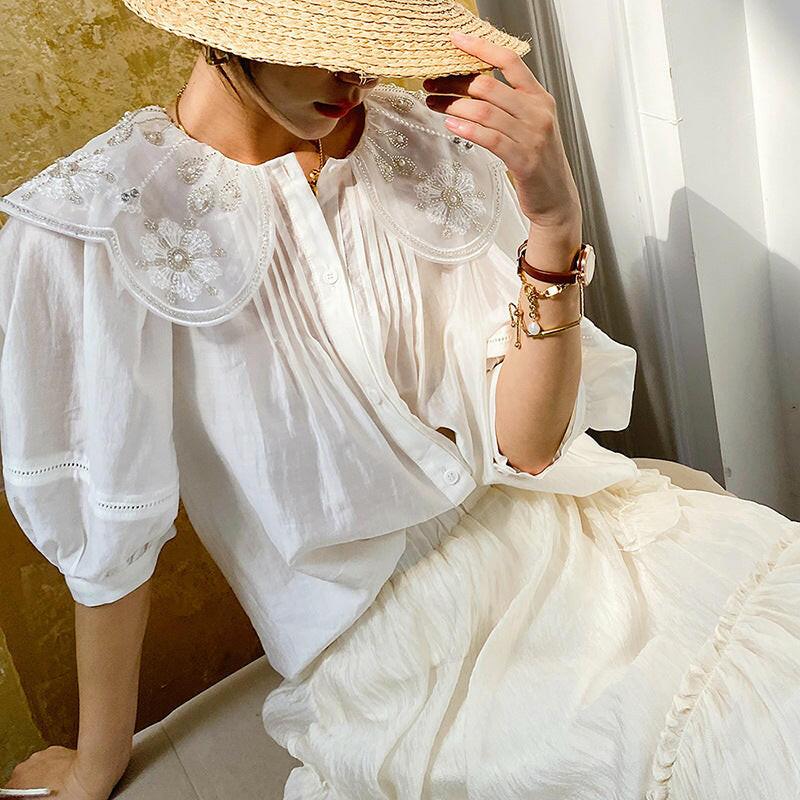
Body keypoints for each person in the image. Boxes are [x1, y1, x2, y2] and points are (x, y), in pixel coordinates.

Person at [1, 0, 799, 798]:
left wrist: (555, 223)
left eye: (369, 40)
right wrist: (98, 762)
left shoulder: (421, 144)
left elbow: (525, 448)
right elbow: (111, 534)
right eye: (324, 43)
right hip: (390, 650)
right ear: (225, 26)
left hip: (569, 541)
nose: (356, 74)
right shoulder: (89, 232)